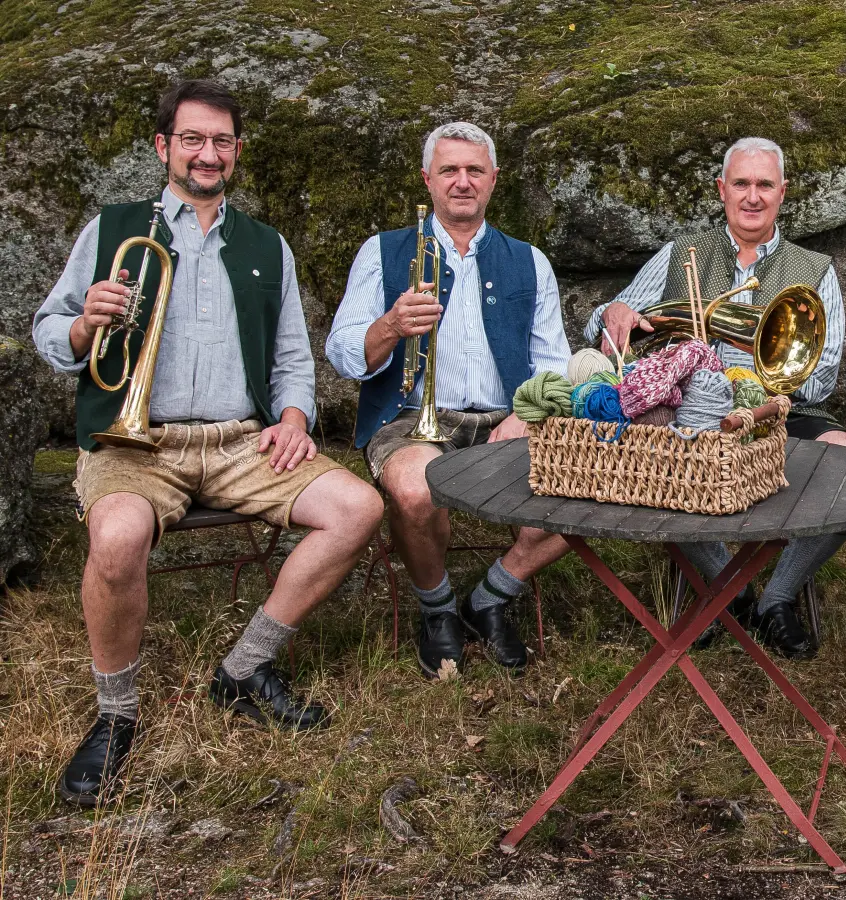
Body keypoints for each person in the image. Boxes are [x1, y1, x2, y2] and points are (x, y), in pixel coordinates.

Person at [31, 79, 385, 806]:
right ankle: (115, 716)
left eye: (221, 140)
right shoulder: (112, 229)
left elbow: (291, 355)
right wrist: (81, 325)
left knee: (359, 507)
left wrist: (292, 417)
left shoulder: (265, 244)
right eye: (192, 138)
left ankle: (244, 670)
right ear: (164, 146)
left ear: (237, 152)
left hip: (238, 442)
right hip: (134, 445)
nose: (207, 152)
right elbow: (49, 330)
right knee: (121, 538)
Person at [586, 137, 846, 658]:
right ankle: (733, 591)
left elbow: (822, 380)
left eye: (763, 185)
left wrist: (760, 376)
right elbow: (603, 322)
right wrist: (611, 313)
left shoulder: (816, 269)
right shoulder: (681, 255)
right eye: (741, 184)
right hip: (695, 409)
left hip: (781, 408)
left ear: (782, 193)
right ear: (721, 190)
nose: (751, 197)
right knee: (653, 458)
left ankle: (777, 598)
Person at [326, 122, 572, 679]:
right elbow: (342, 353)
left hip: (506, 419)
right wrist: (389, 325)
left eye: (474, 171)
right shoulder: (383, 251)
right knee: (415, 492)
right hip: (413, 420)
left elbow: (554, 362)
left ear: (493, 180)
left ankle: (489, 597)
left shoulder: (530, 260)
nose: (462, 182)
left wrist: (525, 415)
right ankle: (437, 609)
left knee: (590, 489)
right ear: (428, 180)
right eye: (449, 171)